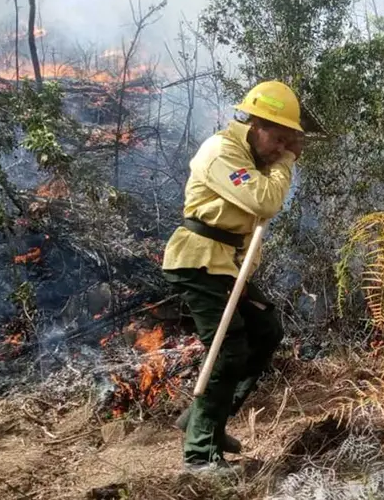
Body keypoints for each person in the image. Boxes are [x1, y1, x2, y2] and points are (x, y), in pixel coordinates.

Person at [161, 79, 305, 473]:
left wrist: (277, 160)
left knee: (266, 332)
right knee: (227, 351)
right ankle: (200, 455)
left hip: (226, 265)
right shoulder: (221, 151)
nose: (280, 147)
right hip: (198, 260)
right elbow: (264, 200)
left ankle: (206, 420)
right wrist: (286, 162)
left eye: (287, 141)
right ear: (255, 124)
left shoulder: (252, 159)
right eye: (277, 138)